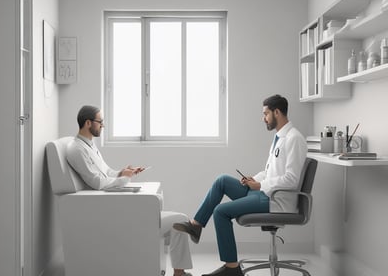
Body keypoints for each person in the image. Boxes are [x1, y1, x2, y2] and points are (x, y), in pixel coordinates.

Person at [173, 94, 307, 276]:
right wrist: (254, 179)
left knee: (220, 212)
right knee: (222, 180)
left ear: (277, 112)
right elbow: (270, 172)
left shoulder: (294, 139)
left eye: (265, 114)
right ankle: (196, 225)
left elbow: (292, 179)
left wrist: (260, 185)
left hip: (275, 200)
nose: (263, 118)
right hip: (265, 192)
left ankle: (232, 269)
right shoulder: (279, 137)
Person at [66, 105, 193, 276]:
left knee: (178, 219)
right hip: (112, 209)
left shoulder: (89, 145)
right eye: (100, 122)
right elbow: (96, 182)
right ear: (88, 123)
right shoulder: (76, 149)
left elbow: (106, 172)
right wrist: (125, 179)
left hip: (116, 202)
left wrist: (123, 172)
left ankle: (179, 272)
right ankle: (180, 273)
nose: (102, 125)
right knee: (181, 220)